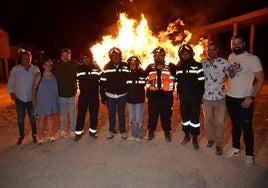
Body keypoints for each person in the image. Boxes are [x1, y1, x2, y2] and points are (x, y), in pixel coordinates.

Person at [225, 35, 265, 166]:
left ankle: (249, 154)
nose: (236, 45)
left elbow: (261, 79)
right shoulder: (231, 57)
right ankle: (236, 148)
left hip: (244, 100)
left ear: (244, 44)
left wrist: (252, 97)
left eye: (238, 43)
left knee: (247, 128)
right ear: (231, 45)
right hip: (230, 98)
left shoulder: (253, 59)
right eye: (233, 43)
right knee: (235, 125)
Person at [175, 44, 205, 150]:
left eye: (187, 53)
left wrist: (199, 97)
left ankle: (195, 139)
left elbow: (202, 83)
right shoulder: (178, 67)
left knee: (195, 120)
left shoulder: (197, 66)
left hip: (194, 98)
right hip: (183, 98)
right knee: (185, 119)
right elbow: (176, 80)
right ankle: (187, 136)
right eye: (183, 53)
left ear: (191, 54)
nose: (185, 55)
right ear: (180, 55)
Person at [144, 47, 177, 142]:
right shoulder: (149, 67)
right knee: (152, 116)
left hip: (166, 98)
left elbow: (179, 77)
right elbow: (143, 78)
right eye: (156, 56)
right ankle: (151, 132)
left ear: (164, 56)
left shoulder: (171, 66)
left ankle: (167, 132)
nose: (158, 57)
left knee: (166, 116)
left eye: (160, 55)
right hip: (153, 97)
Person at [201, 41, 228, 155]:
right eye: (209, 50)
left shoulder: (224, 63)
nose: (211, 52)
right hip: (206, 97)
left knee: (220, 122)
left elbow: (232, 76)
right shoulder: (203, 63)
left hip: (220, 97)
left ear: (217, 50)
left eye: (213, 49)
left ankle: (218, 144)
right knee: (207, 120)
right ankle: (210, 139)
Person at [7, 50, 39, 145]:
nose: (27, 59)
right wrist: (11, 92)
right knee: (20, 118)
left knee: (33, 118)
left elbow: (38, 83)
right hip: (20, 98)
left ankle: (34, 134)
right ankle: (22, 136)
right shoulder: (15, 69)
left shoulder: (35, 69)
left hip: (31, 98)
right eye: (24, 57)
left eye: (28, 57)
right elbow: (11, 82)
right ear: (21, 58)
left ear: (31, 58)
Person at [100, 47, 129, 139]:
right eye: (113, 56)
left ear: (120, 56)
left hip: (122, 95)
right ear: (110, 57)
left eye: (117, 55)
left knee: (121, 114)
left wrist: (129, 93)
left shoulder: (125, 66)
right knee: (111, 114)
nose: (115, 57)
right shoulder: (106, 67)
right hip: (110, 95)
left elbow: (129, 79)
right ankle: (111, 131)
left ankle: (123, 131)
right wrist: (102, 95)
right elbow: (102, 82)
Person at [73, 49, 102, 141]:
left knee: (94, 114)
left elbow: (101, 81)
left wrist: (102, 94)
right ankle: (78, 133)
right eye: (84, 58)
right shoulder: (79, 68)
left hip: (94, 95)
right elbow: (76, 80)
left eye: (87, 58)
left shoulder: (97, 68)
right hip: (83, 96)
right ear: (82, 59)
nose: (86, 60)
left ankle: (92, 132)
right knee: (81, 114)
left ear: (91, 58)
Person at [53, 48, 79, 138]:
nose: (65, 57)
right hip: (61, 94)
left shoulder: (75, 64)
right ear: (61, 56)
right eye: (63, 55)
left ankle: (72, 130)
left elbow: (82, 70)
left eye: (67, 55)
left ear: (70, 56)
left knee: (72, 113)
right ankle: (63, 129)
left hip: (72, 93)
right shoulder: (56, 65)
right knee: (63, 113)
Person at [32, 59, 59, 145]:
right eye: (46, 65)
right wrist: (33, 99)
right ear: (43, 66)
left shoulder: (54, 75)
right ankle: (40, 138)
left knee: (51, 118)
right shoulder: (39, 75)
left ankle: (51, 136)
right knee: (42, 118)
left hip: (52, 100)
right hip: (42, 101)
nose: (48, 67)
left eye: (50, 65)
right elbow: (34, 88)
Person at [126, 56, 146, 140]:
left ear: (138, 65)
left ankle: (139, 135)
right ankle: (134, 135)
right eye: (131, 64)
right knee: (132, 119)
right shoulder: (127, 74)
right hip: (130, 100)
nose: (133, 65)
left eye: (135, 64)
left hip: (139, 100)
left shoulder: (142, 73)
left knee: (139, 119)